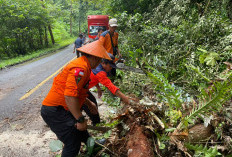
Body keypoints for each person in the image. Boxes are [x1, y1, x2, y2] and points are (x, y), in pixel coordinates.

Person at [41, 41, 111, 157]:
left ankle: (94, 146)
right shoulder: (81, 68)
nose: (99, 62)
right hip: (55, 111)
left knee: (80, 130)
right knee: (73, 143)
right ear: (93, 57)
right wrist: (80, 119)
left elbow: (78, 92)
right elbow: (69, 96)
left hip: (61, 109)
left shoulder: (85, 66)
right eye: (99, 59)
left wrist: (89, 103)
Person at [81, 53, 132, 125]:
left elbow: (93, 77)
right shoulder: (100, 72)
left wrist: (98, 88)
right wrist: (125, 99)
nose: (110, 68)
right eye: (110, 66)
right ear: (103, 63)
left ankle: (94, 122)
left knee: (92, 104)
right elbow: (111, 87)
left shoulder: (97, 65)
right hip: (79, 91)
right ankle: (96, 124)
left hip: (83, 89)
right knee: (91, 107)